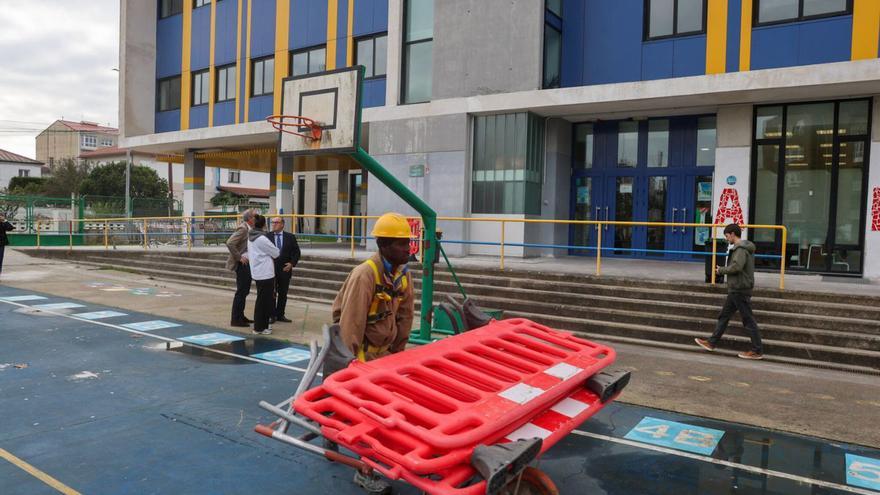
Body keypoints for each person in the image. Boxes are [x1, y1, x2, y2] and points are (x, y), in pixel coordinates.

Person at [331, 212, 414, 364]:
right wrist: (347, 366)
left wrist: (397, 355)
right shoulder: (364, 276)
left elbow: (405, 318)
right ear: (383, 246)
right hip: (362, 358)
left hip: (386, 357)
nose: (408, 249)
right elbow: (351, 326)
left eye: (408, 243)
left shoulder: (402, 275)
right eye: (402, 244)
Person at [695, 223, 764, 360]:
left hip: (740, 288)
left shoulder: (740, 249)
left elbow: (737, 267)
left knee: (748, 320)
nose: (727, 239)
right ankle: (711, 343)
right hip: (736, 288)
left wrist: (721, 270)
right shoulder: (742, 248)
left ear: (732, 234)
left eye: (727, 236)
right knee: (724, 316)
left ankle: (757, 350)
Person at [247, 214, 279, 335]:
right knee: (263, 301)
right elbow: (276, 253)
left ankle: (263, 325)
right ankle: (259, 327)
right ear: (264, 224)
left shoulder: (251, 236)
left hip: (257, 271)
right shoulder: (261, 238)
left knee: (263, 300)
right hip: (265, 273)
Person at [226, 209, 256, 327]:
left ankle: (240, 316)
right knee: (241, 291)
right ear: (250, 219)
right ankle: (235, 319)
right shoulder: (243, 229)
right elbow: (230, 243)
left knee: (244, 291)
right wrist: (239, 257)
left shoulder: (250, 229)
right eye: (255, 216)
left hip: (248, 263)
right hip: (242, 264)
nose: (257, 218)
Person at [269, 217, 301, 324]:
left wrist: (291, 263)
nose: (274, 224)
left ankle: (280, 314)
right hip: (271, 269)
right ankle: (271, 315)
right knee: (272, 293)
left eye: (276, 222)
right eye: (273, 222)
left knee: (283, 293)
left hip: (285, 270)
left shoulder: (290, 237)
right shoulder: (267, 236)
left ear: (282, 224)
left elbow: (296, 252)